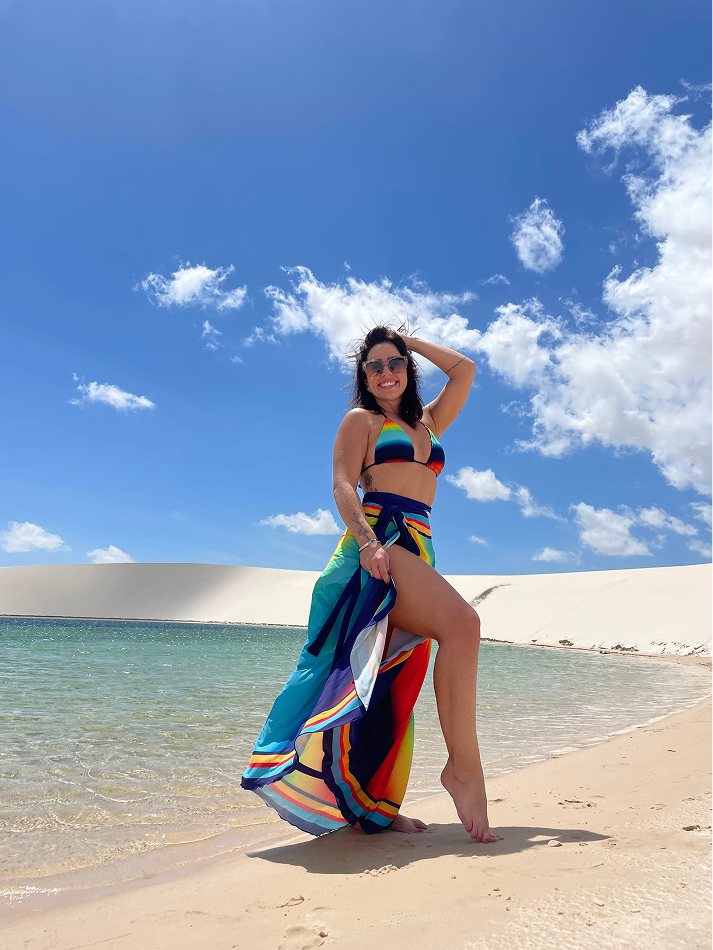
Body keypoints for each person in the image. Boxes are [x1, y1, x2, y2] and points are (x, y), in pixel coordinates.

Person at [242, 326, 497, 843]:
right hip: (380, 539)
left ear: (408, 368)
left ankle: (376, 807)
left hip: (420, 543)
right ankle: (464, 771)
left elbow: (465, 370)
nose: (385, 372)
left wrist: (411, 341)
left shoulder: (428, 422)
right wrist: (367, 542)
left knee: (390, 683)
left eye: (394, 362)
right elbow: (342, 483)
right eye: (374, 365)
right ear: (364, 375)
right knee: (463, 625)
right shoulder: (362, 420)